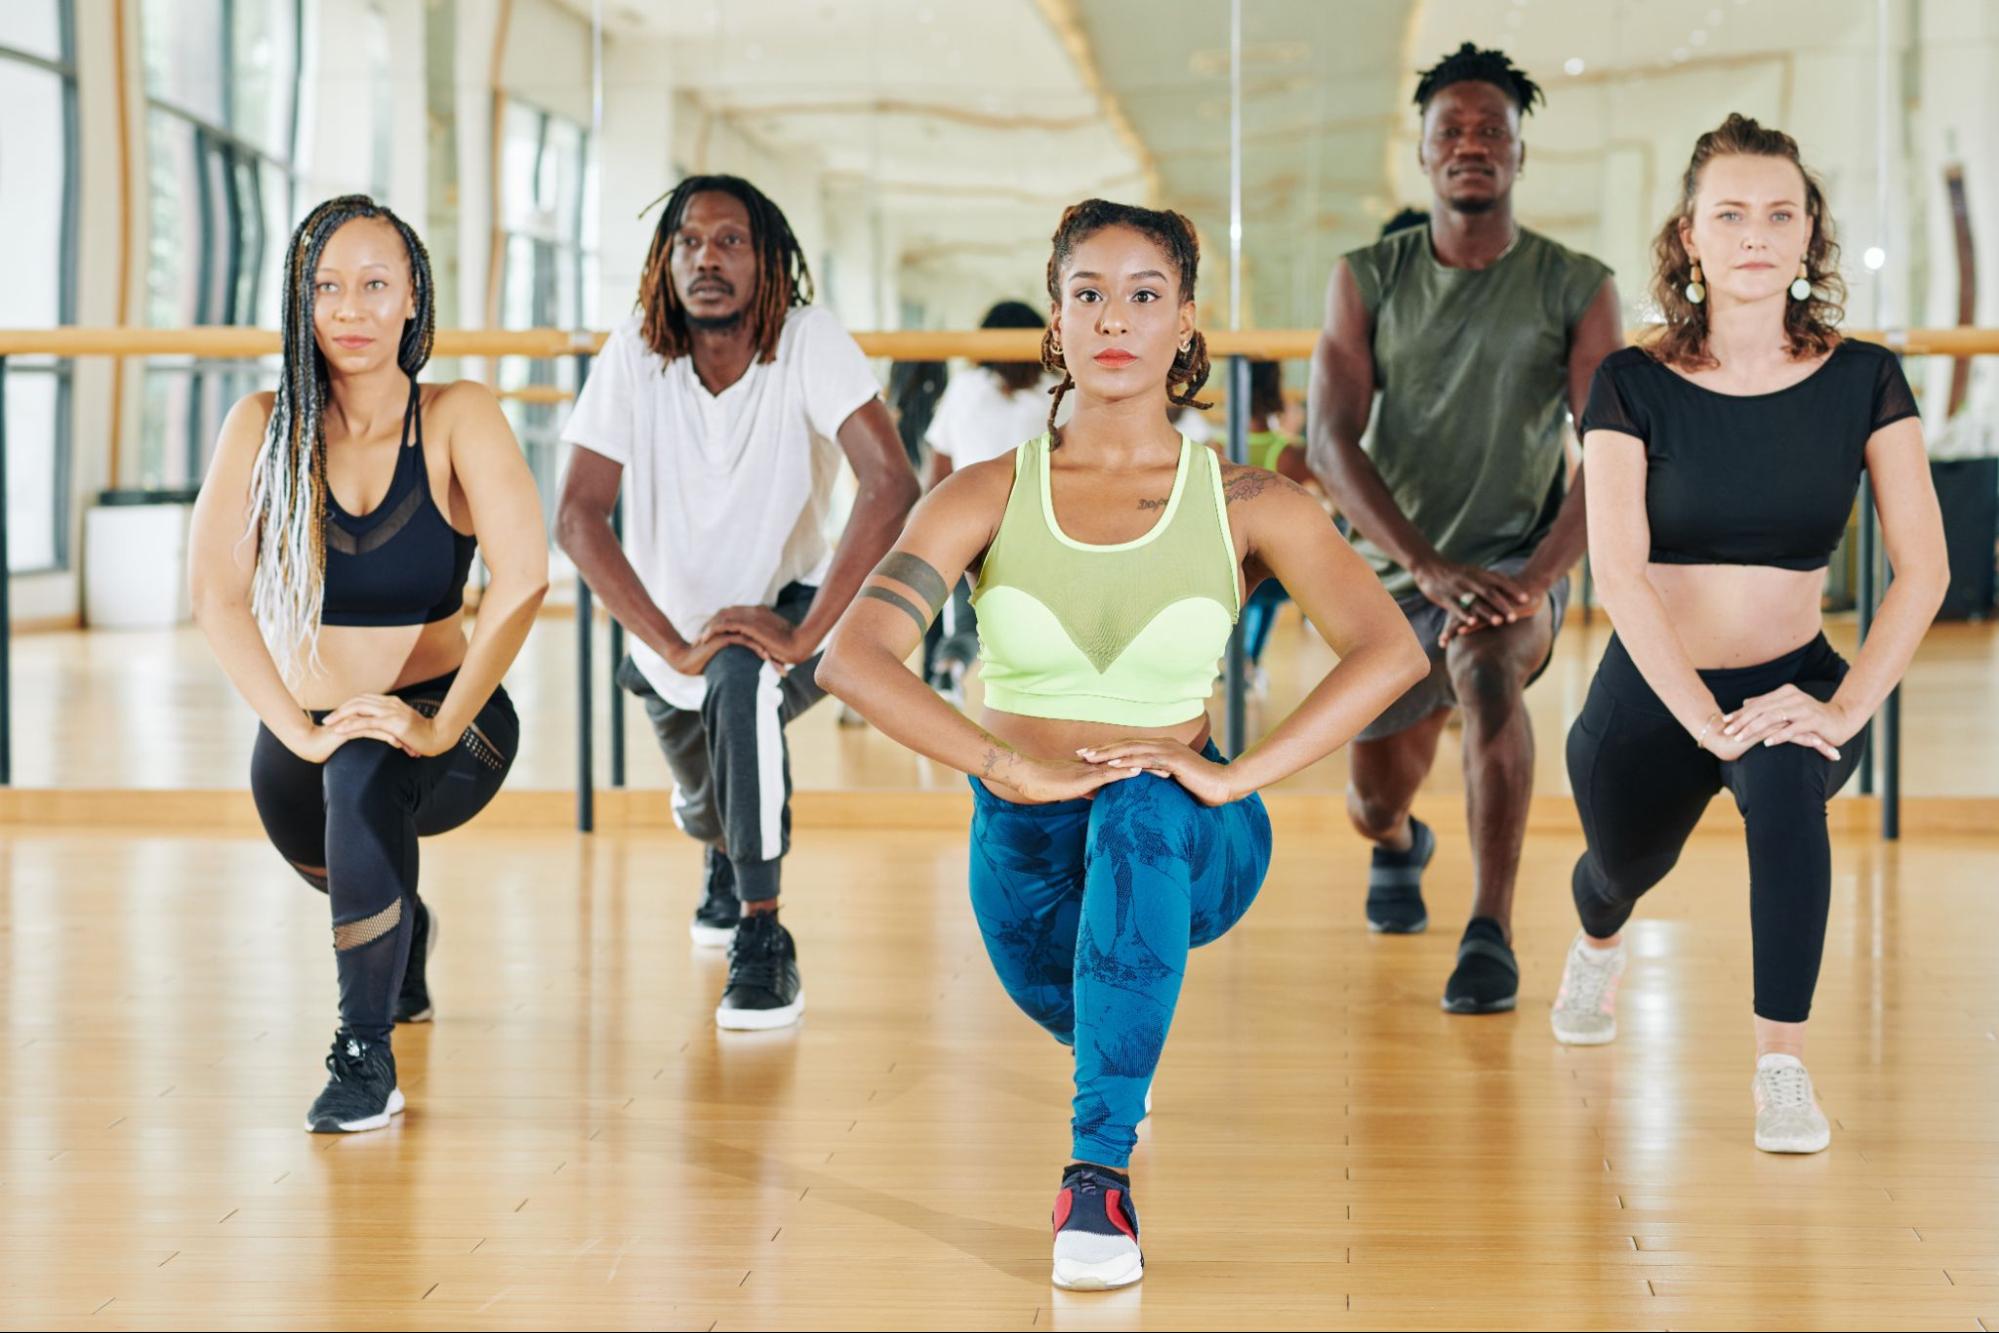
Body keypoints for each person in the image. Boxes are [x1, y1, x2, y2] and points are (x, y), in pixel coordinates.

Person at [815, 199, 1426, 1290]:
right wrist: (1006, 768)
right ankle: (1113, 1060)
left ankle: (1095, 1178)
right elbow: (851, 659)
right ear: (1054, 321)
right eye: (1087, 292)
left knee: (1141, 796)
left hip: (1194, 840)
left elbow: (1389, 653)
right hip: (1026, 852)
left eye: (1145, 295)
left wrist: (1236, 773)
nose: (1114, 318)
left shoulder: (1247, 501)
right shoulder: (984, 495)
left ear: (1185, 326)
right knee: (1093, 944)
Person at [1553, 114, 1945, 1154]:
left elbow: (1925, 568)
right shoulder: (1627, 385)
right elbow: (1620, 571)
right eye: (1729, 214)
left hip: (1792, 678)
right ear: (1689, 235)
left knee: (1786, 788)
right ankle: (1597, 937)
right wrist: (1702, 719)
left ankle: (1782, 1067)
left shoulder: (1864, 378)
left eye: (1779, 212)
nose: (1754, 233)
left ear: (1809, 232)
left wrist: (1839, 705)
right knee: (1620, 865)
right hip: (1652, 689)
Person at [189, 195, 547, 1133]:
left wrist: (431, 721)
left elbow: (523, 580)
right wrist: (294, 731)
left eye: (375, 285)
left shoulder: (459, 415)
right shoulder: (261, 424)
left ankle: (365, 1051)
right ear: (300, 304)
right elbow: (216, 597)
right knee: (345, 821)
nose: (350, 309)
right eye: (328, 287)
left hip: (453, 723)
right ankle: (403, 934)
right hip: (311, 729)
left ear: (412, 299)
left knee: (365, 776)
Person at [556, 174, 918, 1029]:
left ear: (767, 260)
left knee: (741, 678)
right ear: (665, 259)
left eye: (730, 241)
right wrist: (670, 645)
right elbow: (575, 516)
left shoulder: (807, 340)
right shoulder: (635, 353)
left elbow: (889, 483)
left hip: (783, 605)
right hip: (665, 627)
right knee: (706, 797)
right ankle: (718, 843)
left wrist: (804, 634)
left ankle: (764, 934)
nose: (706, 258)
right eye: (688, 241)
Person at [1308, 43, 1622, 1013]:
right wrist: (1423, 564)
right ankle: (1403, 847)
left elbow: (1609, 448)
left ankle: (1488, 932)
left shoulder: (1576, 283)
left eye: (1493, 131)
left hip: (1508, 564)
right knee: (1371, 804)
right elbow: (1326, 440)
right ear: (1424, 151)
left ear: (1521, 153)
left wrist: (1533, 577)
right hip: (1395, 567)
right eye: (1453, 130)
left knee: (1487, 675)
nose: (1472, 145)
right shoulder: (1368, 276)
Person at [921, 299, 1059, 701]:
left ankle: (949, 667)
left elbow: (940, 464)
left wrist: (936, 524)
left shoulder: (965, 388)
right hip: (1036, 527)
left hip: (971, 523)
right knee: (1035, 620)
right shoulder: (1056, 392)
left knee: (967, 622)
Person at [1236, 358, 1313, 688]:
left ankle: (1242, 659)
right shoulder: (1291, 454)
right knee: (1270, 578)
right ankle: (1251, 660)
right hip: (1271, 571)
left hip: (1229, 564)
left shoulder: (1218, 449)